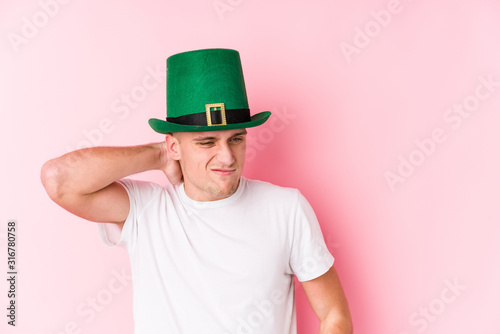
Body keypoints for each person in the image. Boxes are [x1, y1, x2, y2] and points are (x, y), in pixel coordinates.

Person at [40, 48, 352, 333]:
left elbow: (334, 314)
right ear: (174, 145)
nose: (227, 157)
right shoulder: (145, 211)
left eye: (236, 139)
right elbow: (58, 179)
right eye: (207, 142)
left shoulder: (286, 209)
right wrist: (158, 156)